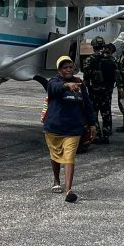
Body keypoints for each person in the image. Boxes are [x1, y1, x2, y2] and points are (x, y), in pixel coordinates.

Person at [45, 55, 97, 203]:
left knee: (69, 158)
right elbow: (54, 89)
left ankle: (69, 190)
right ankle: (56, 180)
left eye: (70, 67)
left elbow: (87, 104)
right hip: (54, 127)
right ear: (59, 70)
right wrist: (66, 86)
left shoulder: (80, 83)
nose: (68, 69)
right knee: (55, 156)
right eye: (65, 67)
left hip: (74, 128)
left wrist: (92, 124)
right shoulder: (53, 82)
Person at [82, 36, 120, 143]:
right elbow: (117, 75)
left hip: (94, 90)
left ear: (93, 46)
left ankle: (97, 135)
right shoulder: (111, 59)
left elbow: (86, 77)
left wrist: (87, 88)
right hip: (107, 91)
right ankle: (106, 134)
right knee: (106, 112)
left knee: (94, 112)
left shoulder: (90, 59)